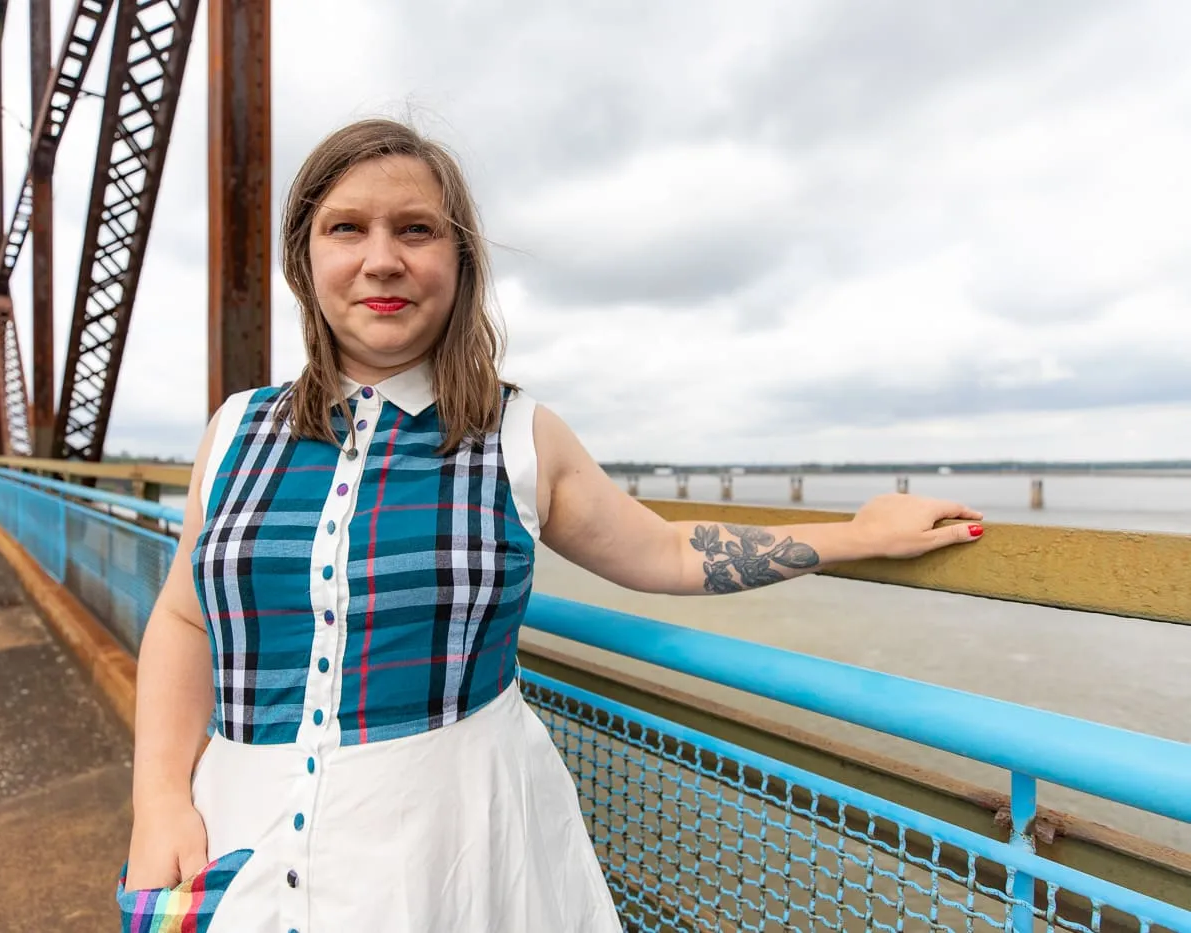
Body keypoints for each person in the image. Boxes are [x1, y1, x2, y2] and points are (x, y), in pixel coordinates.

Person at [117, 118, 984, 932]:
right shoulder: (235, 429)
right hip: (242, 837)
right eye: (347, 229)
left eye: (416, 230)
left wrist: (860, 530)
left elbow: (668, 552)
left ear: (460, 260)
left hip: (454, 852)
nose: (382, 260)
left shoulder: (516, 435)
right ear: (305, 259)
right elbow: (187, 615)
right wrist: (159, 794)